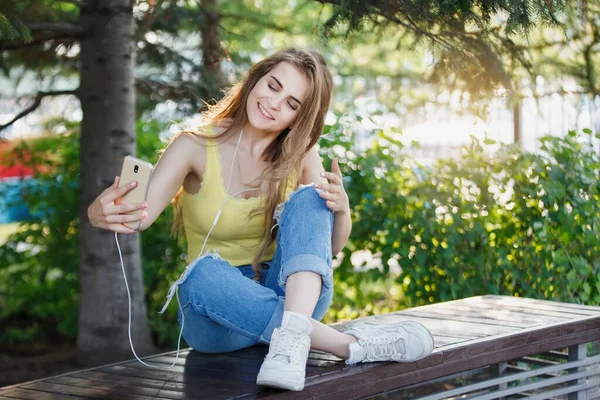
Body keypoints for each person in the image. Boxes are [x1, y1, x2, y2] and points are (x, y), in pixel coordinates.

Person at [87, 48, 434, 392]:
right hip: (214, 312)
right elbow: (138, 218)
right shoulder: (193, 146)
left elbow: (328, 248)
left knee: (311, 198)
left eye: (292, 103)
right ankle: (347, 345)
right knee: (201, 273)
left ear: (300, 118)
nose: (274, 103)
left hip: (289, 289)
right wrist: (98, 213)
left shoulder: (302, 154)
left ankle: (291, 335)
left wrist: (341, 209)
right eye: (273, 86)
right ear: (255, 79)